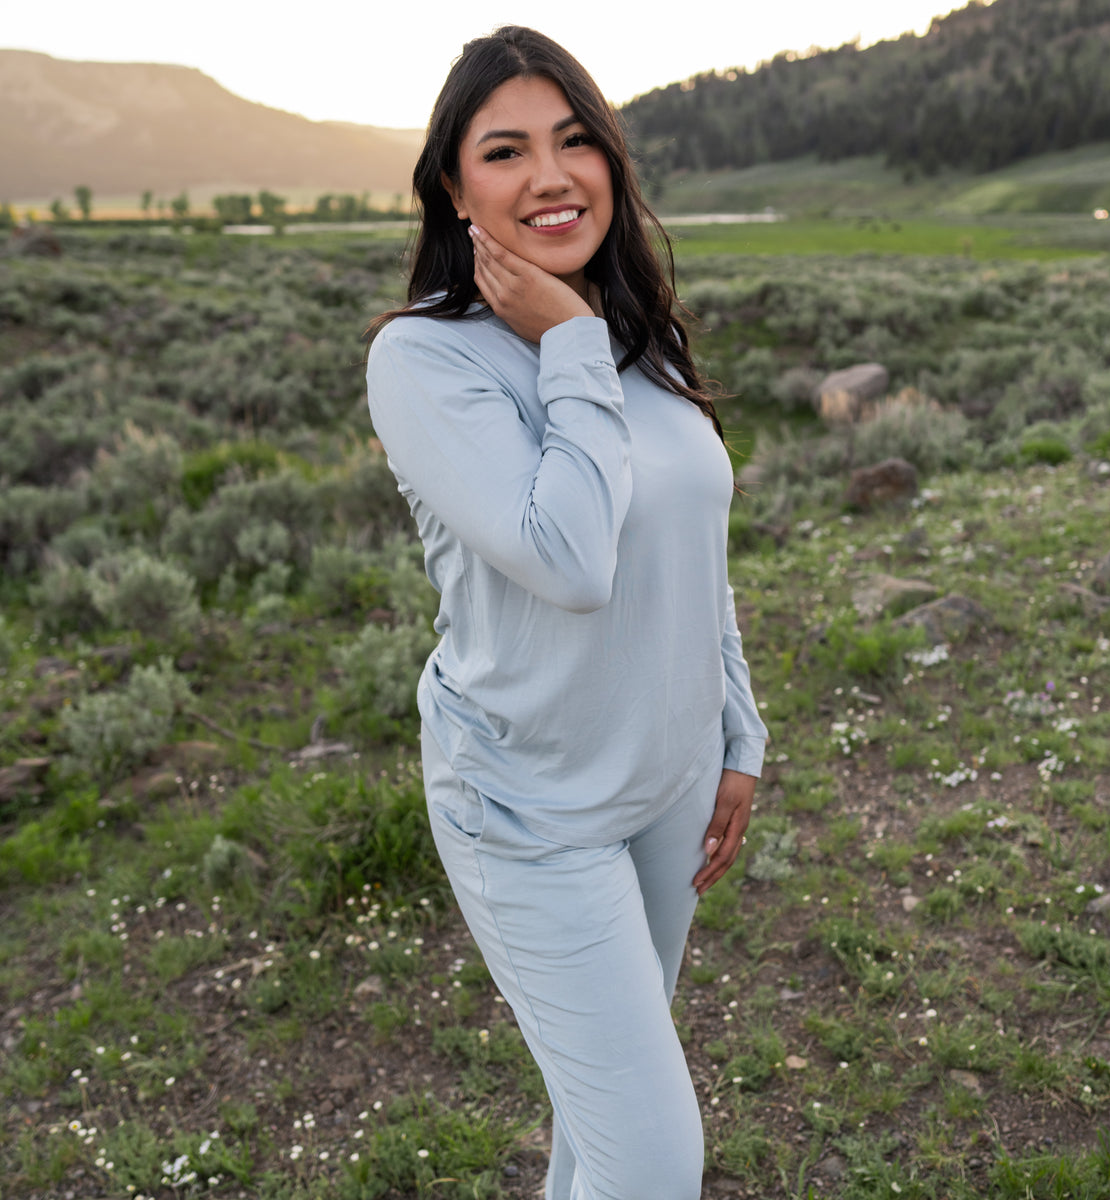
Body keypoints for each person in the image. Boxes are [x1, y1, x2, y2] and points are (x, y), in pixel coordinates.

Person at [365, 26, 767, 1200]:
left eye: (576, 140)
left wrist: (738, 733)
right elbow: (573, 557)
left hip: (669, 784)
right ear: (454, 188)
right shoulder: (426, 361)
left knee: (602, 1131)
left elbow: (695, 552)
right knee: (653, 1163)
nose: (551, 176)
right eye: (506, 151)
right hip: (529, 809)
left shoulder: (638, 338)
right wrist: (574, 346)